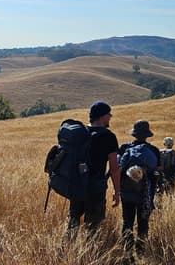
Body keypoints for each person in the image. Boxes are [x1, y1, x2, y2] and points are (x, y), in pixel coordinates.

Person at [66, 101, 121, 237]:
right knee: (93, 227)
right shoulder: (108, 136)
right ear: (102, 116)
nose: (110, 117)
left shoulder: (80, 133)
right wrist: (117, 191)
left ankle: (66, 252)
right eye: (109, 114)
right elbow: (114, 168)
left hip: (77, 184)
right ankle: (90, 254)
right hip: (96, 186)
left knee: (73, 222)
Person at [118, 120, 160, 252]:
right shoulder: (153, 150)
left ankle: (127, 251)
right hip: (146, 194)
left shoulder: (124, 148)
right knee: (143, 223)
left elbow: (118, 169)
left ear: (134, 134)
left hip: (127, 192)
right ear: (147, 135)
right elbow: (157, 172)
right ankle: (141, 251)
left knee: (127, 221)